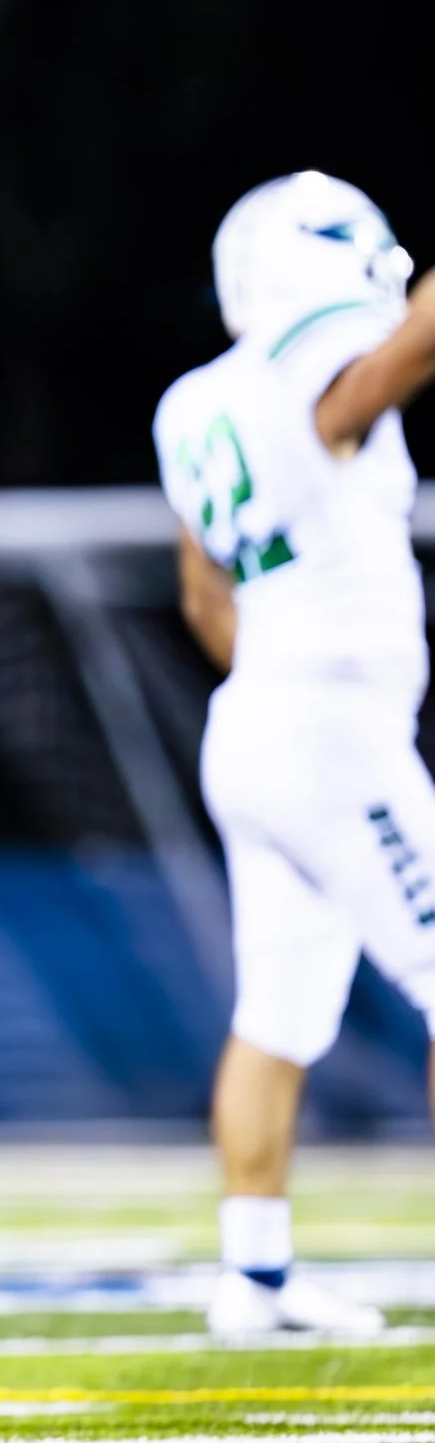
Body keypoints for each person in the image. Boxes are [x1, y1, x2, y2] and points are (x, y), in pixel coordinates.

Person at [159, 169, 435, 1338]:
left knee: (276, 1012)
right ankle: (255, 1280)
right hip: (329, 727)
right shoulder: (308, 375)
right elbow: (365, 385)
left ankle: (254, 1279)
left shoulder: (192, 401)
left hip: (258, 719)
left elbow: (199, 596)